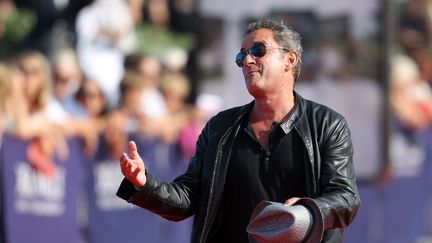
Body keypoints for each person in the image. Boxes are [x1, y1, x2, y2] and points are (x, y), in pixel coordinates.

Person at [117, 18, 361, 242]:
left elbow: (346, 199)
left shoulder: (326, 124)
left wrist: (307, 211)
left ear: (290, 59)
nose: (247, 61)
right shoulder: (220, 128)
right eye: (240, 56)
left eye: (257, 50)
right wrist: (143, 183)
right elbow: (188, 197)